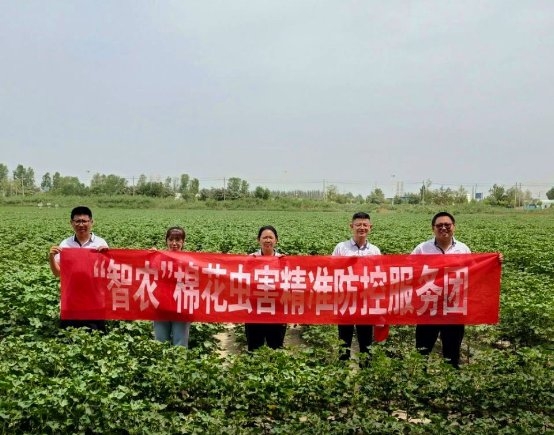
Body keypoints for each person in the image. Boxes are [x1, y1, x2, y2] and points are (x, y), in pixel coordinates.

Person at [412, 211, 503, 368]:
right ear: (433, 228)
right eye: (439, 225)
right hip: (429, 307)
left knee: (452, 351)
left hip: (454, 307)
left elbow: (475, 272)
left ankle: (452, 380)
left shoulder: (463, 249)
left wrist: (494, 263)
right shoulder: (422, 249)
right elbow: (407, 269)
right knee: (422, 350)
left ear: (454, 227)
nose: (443, 228)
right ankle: (419, 380)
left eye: (447, 225)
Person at [332, 212, 386, 363]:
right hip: (345, 301)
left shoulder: (374, 251)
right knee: (344, 340)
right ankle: (342, 370)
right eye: (358, 225)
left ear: (370, 227)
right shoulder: (341, 248)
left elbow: (380, 276)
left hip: (366, 302)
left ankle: (365, 372)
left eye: (365, 225)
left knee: (366, 341)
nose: (362, 228)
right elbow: (331, 270)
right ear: (351, 226)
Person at [48, 206, 108, 331]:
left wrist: (106, 256)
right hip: (71, 299)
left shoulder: (100, 243)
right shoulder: (65, 244)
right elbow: (58, 273)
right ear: (72, 223)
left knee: (96, 335)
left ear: (91, 222)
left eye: (84, 221)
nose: (81, 224)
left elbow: (108, 272)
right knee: (68, 335)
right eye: (77, 221)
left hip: (94, 299)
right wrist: (51, 257)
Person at [244, 225, 287, 351]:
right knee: (254, 347)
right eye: (264, 237)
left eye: (270, 237)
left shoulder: (283, 260)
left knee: (276, 347)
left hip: (276, 309)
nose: (267, 240)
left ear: (276, 240)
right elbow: (243, 281)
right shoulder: (251, 259)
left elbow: (288, 284)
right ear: (258, 240)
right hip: (254, 309)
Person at [153, 226, 191, 347]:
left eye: (178, 240)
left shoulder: (190, 260)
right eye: (171, 239)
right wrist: (149, 256)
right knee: (160, 343)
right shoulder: (158, 257)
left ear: (183, 242)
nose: (174, 243)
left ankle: (178, 360)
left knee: (180, 344)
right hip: (161, 306)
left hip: (182, 306)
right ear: (166, 241)